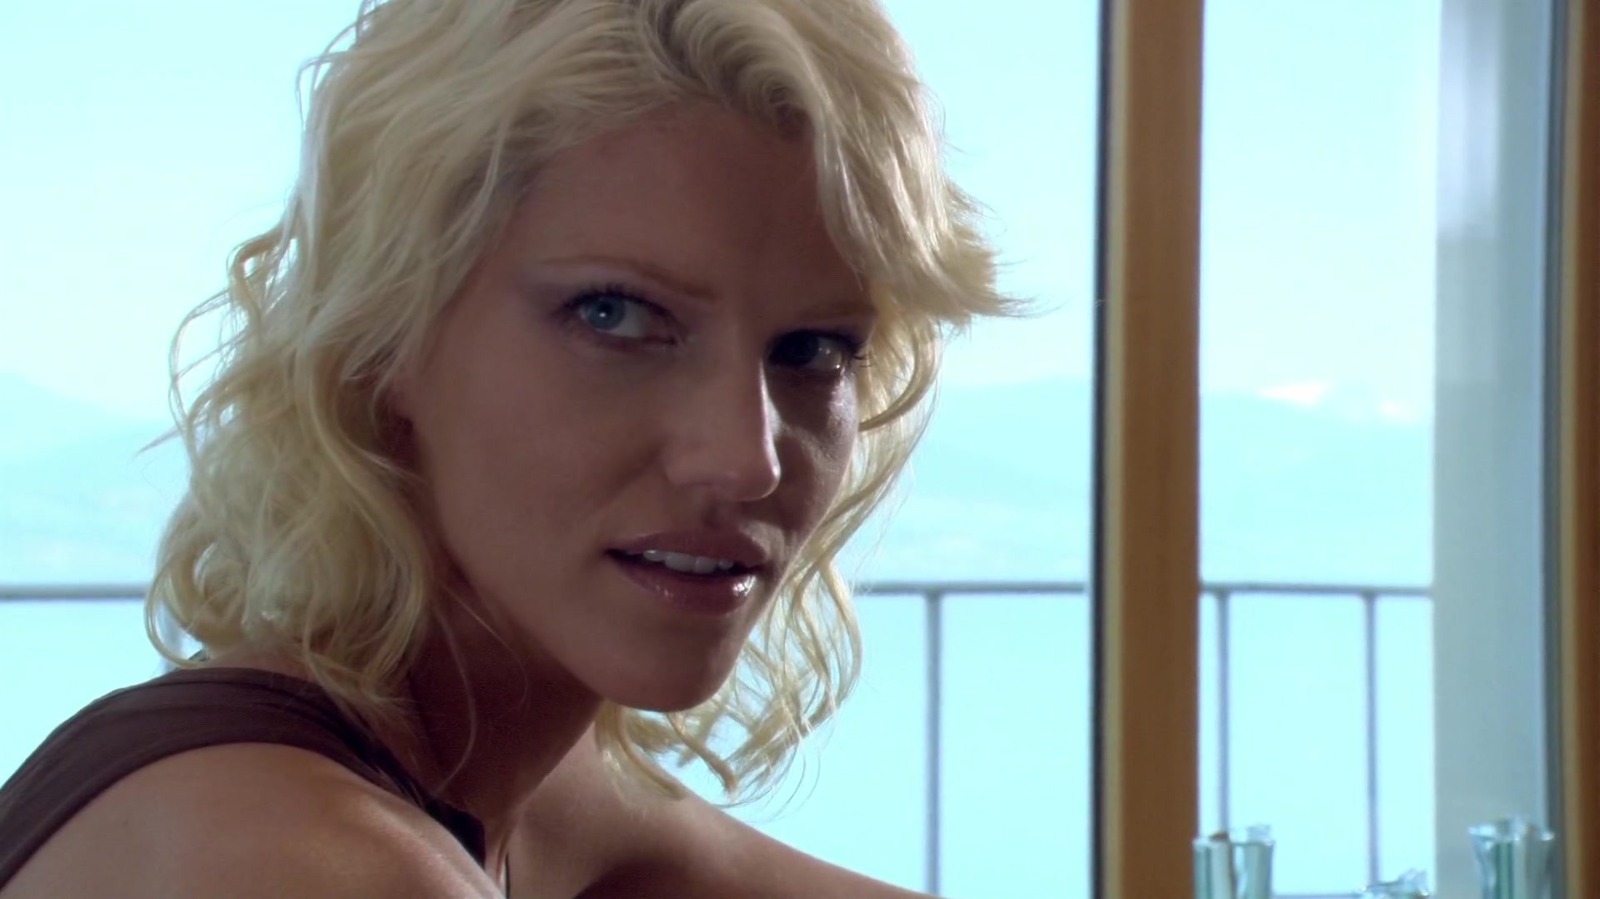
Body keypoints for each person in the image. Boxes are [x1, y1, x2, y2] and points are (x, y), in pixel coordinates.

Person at [0, 0, 1013, 895]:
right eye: (616, 315)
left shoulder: (522, 789)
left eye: (814, 349)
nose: (749, 460)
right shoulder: (305, 857)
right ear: (387, 334)